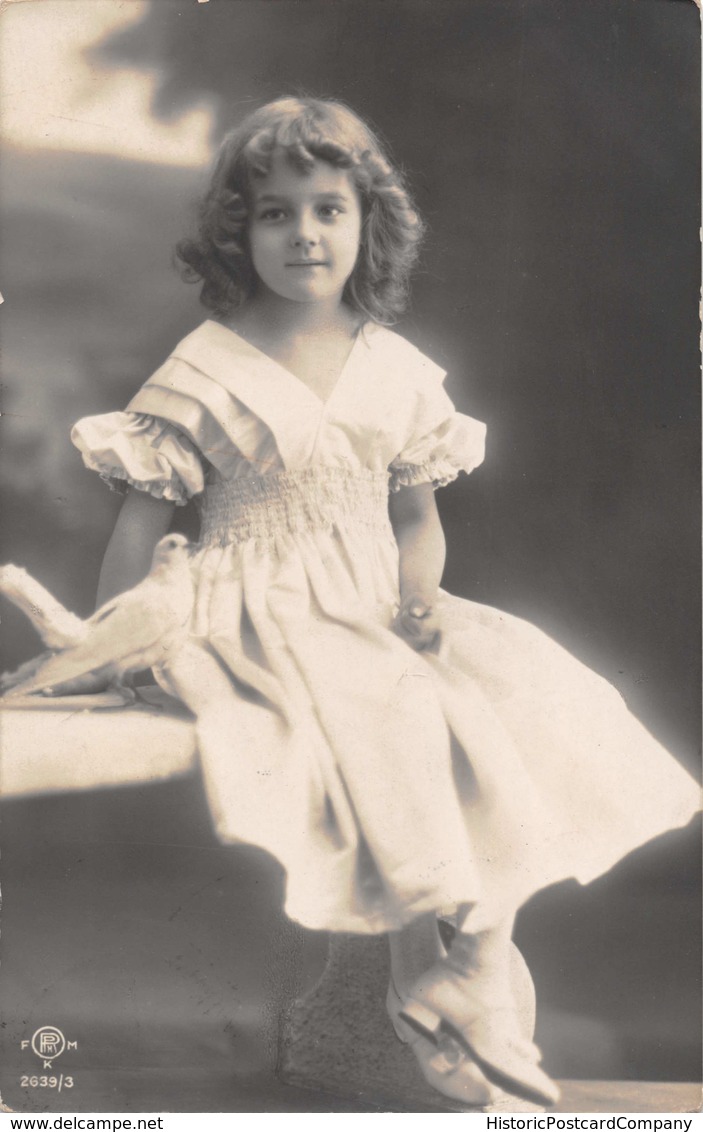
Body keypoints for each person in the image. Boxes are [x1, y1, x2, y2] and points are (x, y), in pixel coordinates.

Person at [69, 97, 699, 1109]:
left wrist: (418, 596)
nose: (304, 234)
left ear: (368, 223)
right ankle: (425, 971)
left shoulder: (396, 369)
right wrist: (120, 645)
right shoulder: (204, 367)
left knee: (525, 698)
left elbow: (413, 520)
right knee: (393, 713)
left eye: (327, 209)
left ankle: (477, 950)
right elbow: (140, 528)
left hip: (370, 604)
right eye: (275, 213)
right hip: (251, 606)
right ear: (239, 230)